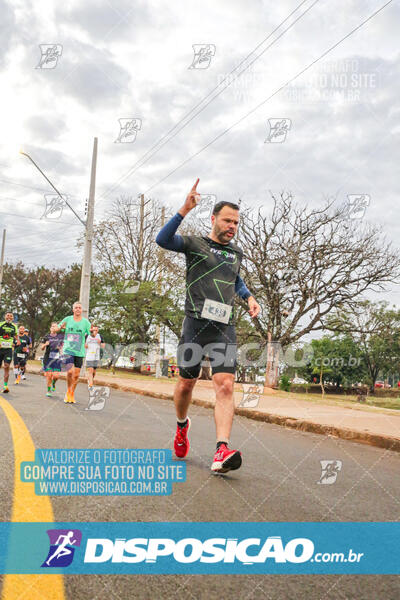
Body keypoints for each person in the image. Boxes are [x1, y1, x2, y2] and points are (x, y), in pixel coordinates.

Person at [156, 179, 260, 473]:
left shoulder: (236, 253)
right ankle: (181, 425)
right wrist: (183, 210)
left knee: (225, 385)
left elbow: (235, 279)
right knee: (186, 383)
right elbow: (162, 240)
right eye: (227, 220)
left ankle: (221, 449)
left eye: (236, 222)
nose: (232, 226)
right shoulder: (194, 244)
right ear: (214, 219)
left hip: (223, 327)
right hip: (195, 325)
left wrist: (249, 297)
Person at [55, 302, 91, 404]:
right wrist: (58, 328)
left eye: (80, 307)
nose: (78, 309)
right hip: (68, 350)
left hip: (79, 351)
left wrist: (93, 333)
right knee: (70, 372)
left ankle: (71, 393)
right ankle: (68, 391)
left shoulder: (86, 322)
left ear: (81, 310)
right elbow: (58, 328)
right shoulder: (67, 319)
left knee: (76, 375)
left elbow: (91, 333)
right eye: (76, 308)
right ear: (73, 310)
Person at [41, 322, 64, 397]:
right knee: (49, 375)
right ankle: (49, 390)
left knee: (56, 376)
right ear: (50, 328)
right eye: (53, 326)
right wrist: (45, 344)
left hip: (57, 358)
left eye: (56, 326)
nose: (54, 328)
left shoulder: (60, 336)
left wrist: (60, 348)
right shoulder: (46, 337)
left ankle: (53, 383)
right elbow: (42, 348)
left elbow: (62, 345)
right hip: (48, 358)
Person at [0, 312, 19, 394]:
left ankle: (5, 386)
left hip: (8, 349)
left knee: (6, 366)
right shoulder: (1, 324)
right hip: (0, 348)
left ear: (12, 318)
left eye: (11, 316)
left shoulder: (14, 326)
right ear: (5, 317)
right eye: (7, 315)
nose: (9, 317)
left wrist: (18, 341)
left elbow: (16, 336)